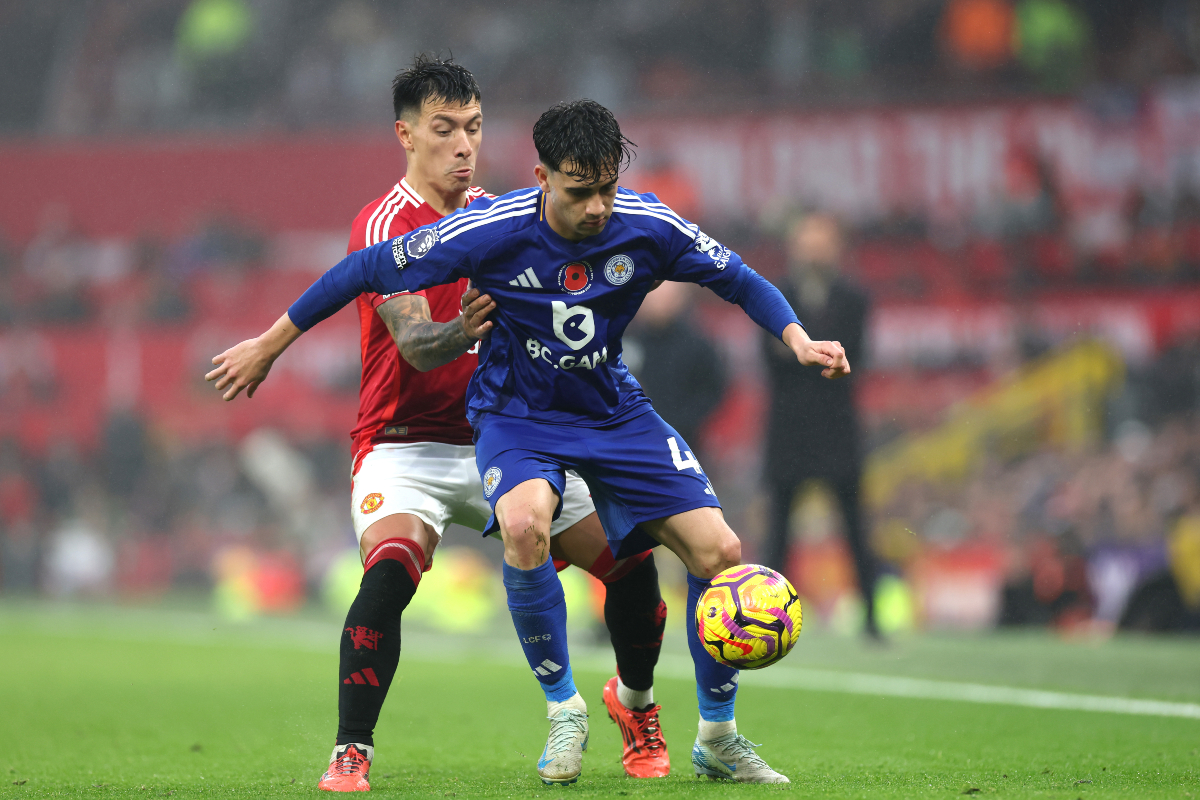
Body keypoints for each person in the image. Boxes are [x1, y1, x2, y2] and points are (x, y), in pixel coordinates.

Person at [208, 99, 850, 786]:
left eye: (607, 188)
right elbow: (358, 273)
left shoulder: (646, 222)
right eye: (581, 192)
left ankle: (715, 734)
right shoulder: (492, 229)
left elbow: (740, 279)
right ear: (543, 177)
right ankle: (562, 711)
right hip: (515, 416)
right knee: (522, 526)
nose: (599, 208)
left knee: (719, 551)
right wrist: (270, 345)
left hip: (610, 408)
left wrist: (797, 338)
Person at [209, 61, 670, 790]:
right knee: (389, 575)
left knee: (634, 563)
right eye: (445, 129)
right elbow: (419, 345)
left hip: (511, 436)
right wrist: (463, 328)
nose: (464, 145)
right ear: (406, 135)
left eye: (475, 128)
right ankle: (352, 749)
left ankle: (635, 704)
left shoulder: (505, 213)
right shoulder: (385, 221)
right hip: (405, 445)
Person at [761, 212, 878, 638]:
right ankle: (765, 618)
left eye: (821, 239)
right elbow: (770, 359)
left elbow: (858, 356)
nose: (813, 247)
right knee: (778, 533)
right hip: (789, 431)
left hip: (837, 431)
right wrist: (825, 356)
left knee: (856, 529)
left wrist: (806, 355)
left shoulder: (853, 296)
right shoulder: (776, 295)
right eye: (806, 238)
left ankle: (873, 617)